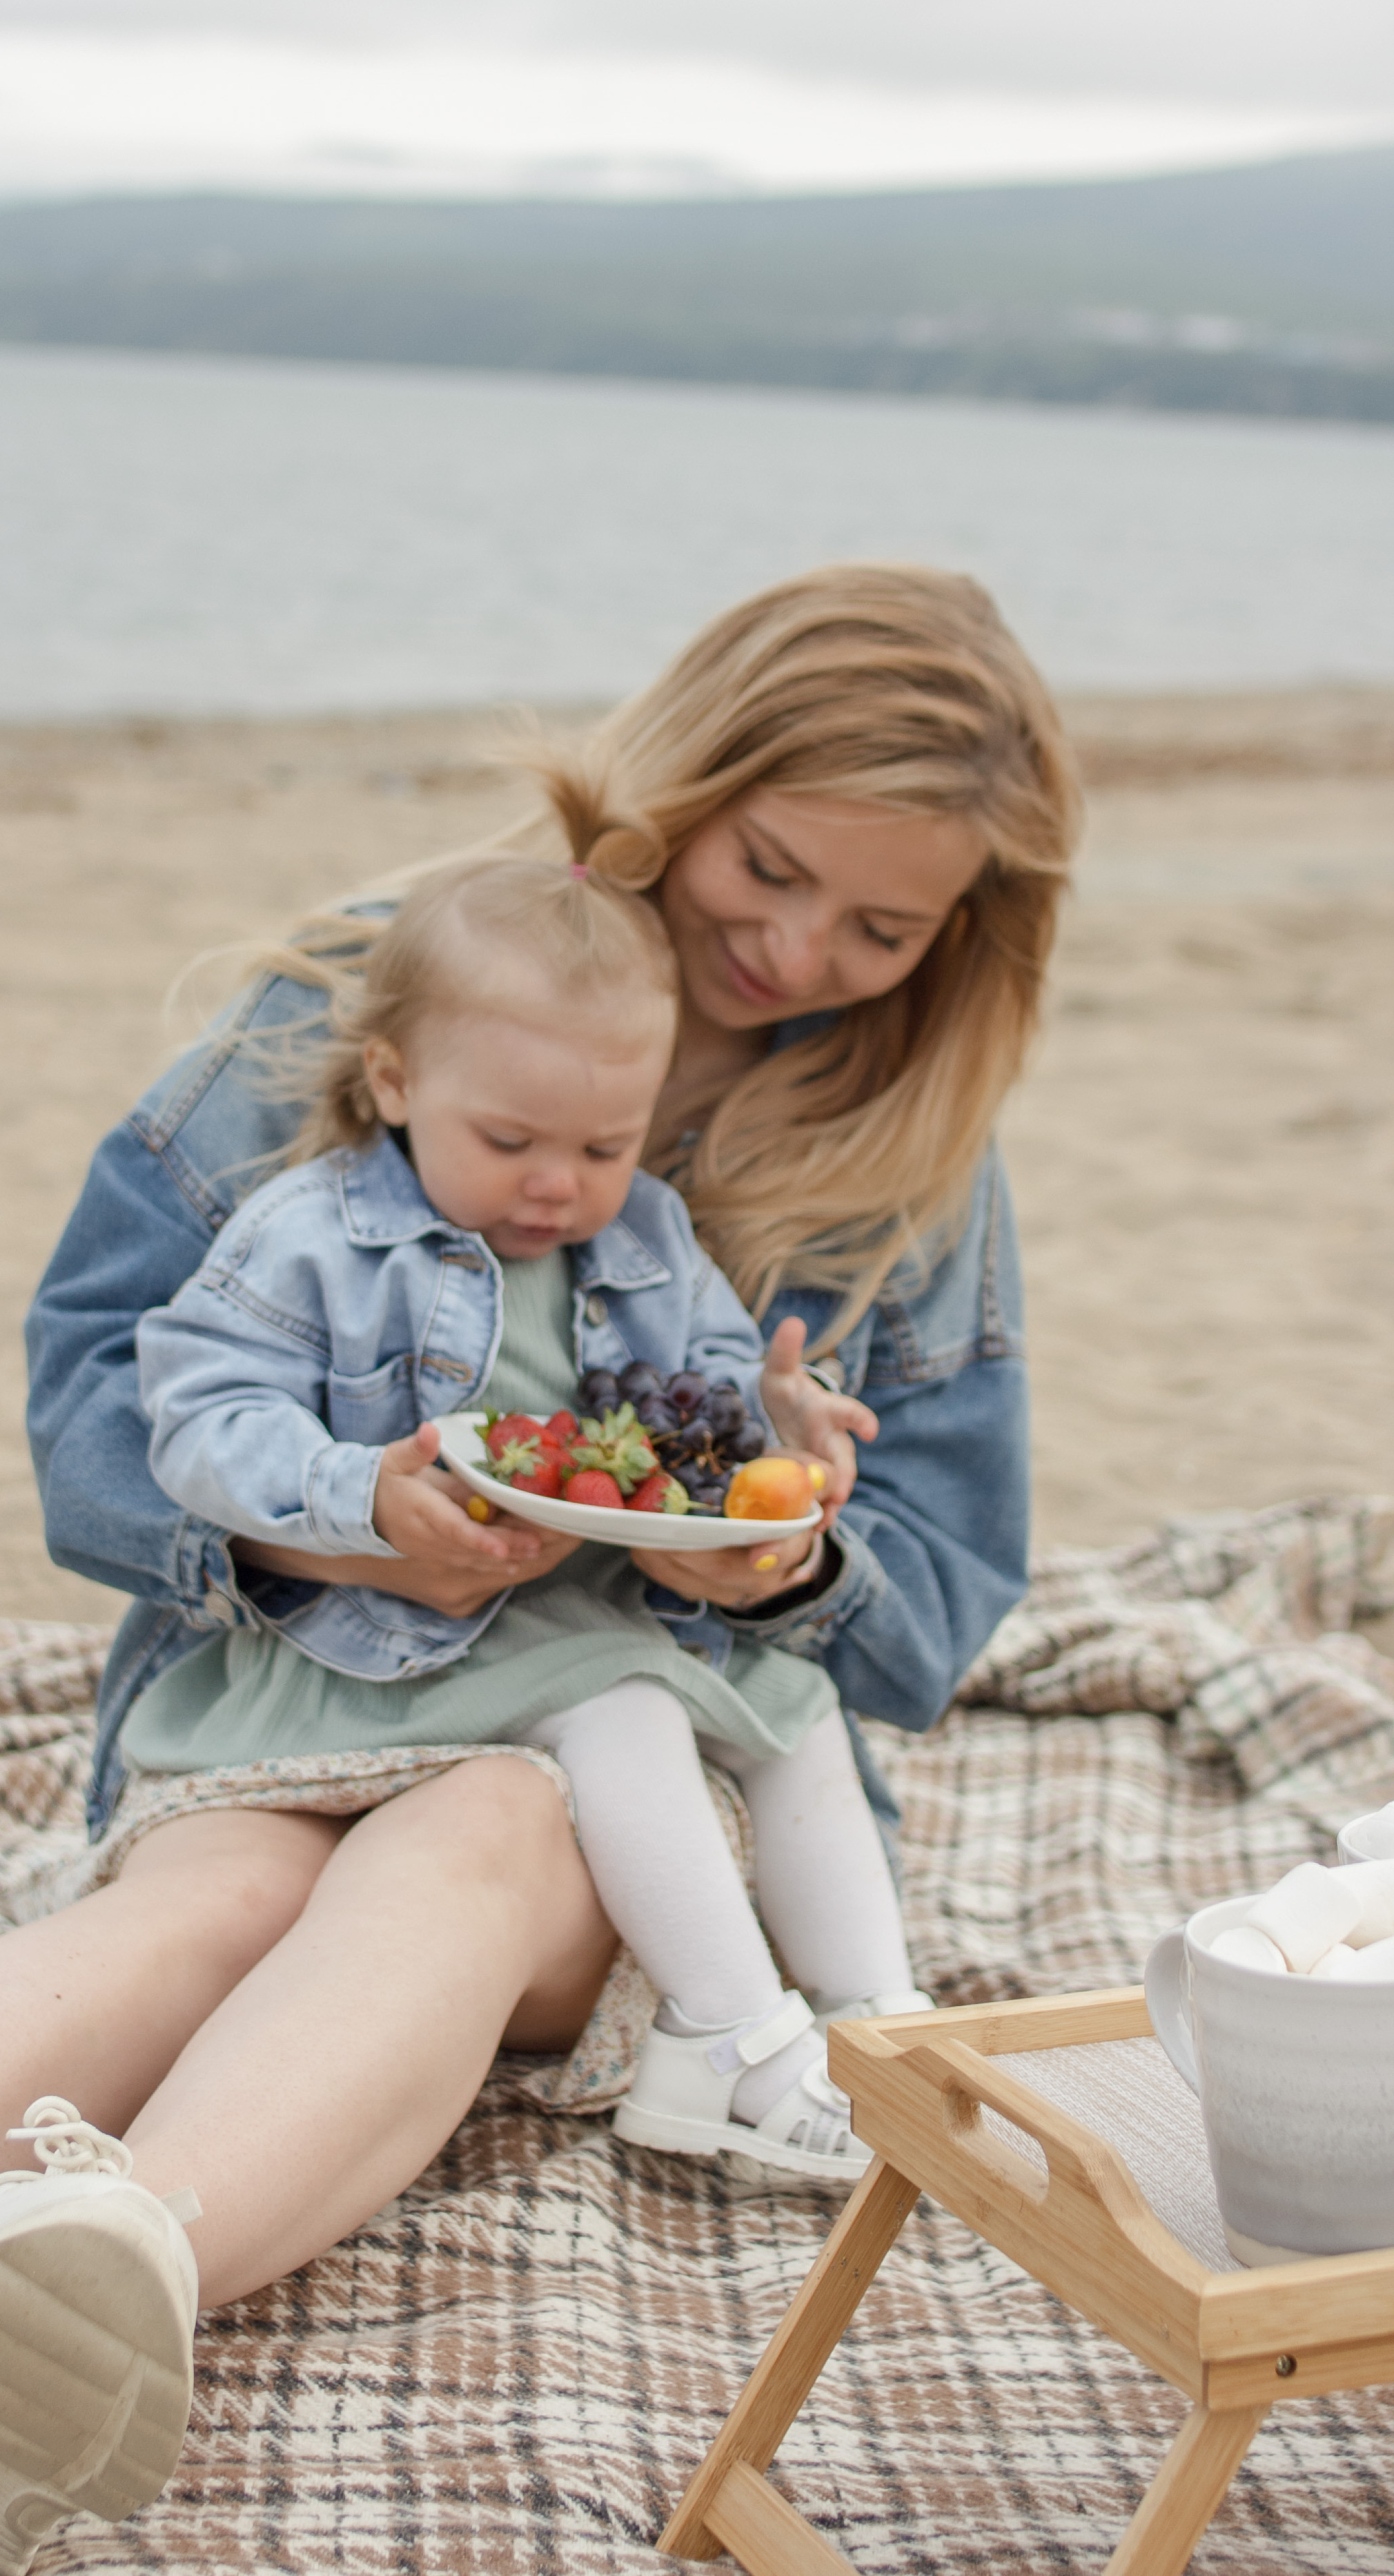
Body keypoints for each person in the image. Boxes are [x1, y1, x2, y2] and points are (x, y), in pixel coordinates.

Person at [0, 565, 1079, 2576]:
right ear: (684, 787)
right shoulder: (370, 992)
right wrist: (332, 1523)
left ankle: (90, 2296)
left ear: (959, 938)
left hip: (645, 1777)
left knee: (495, 1816)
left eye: (881, 926)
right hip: (299, 1685)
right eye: (768, 867)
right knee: (220, 1893)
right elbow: (94, 1400)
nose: (794, 947)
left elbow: (935, 1595)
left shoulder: (918, 1155)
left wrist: (777, 1569)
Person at [130, 851, 923, 2188]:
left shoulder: (651, 1237)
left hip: (584, 1616)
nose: (557, 1184)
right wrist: (356, 1492)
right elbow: (195, 1414)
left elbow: (707, 1407)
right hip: (390, 1643)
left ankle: (882, 2033)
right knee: (625, 1706)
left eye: (603, 1147)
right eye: (509, 1143)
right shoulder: (310, 1237)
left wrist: (785, 1435)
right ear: (393, 1083)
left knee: (796, 1710)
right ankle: (721, 2042)